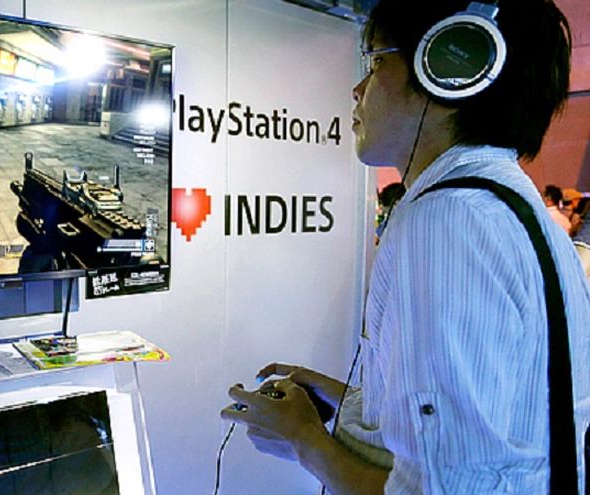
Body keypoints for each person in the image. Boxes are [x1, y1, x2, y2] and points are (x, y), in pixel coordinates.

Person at [221, 1, 590, 493]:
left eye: (376, 62)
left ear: (448, 67)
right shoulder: (506, 203)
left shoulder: (447, 219)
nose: (357, 90)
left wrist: (303, 439)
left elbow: (439, 488)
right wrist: (348, 401)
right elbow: (495, 430)